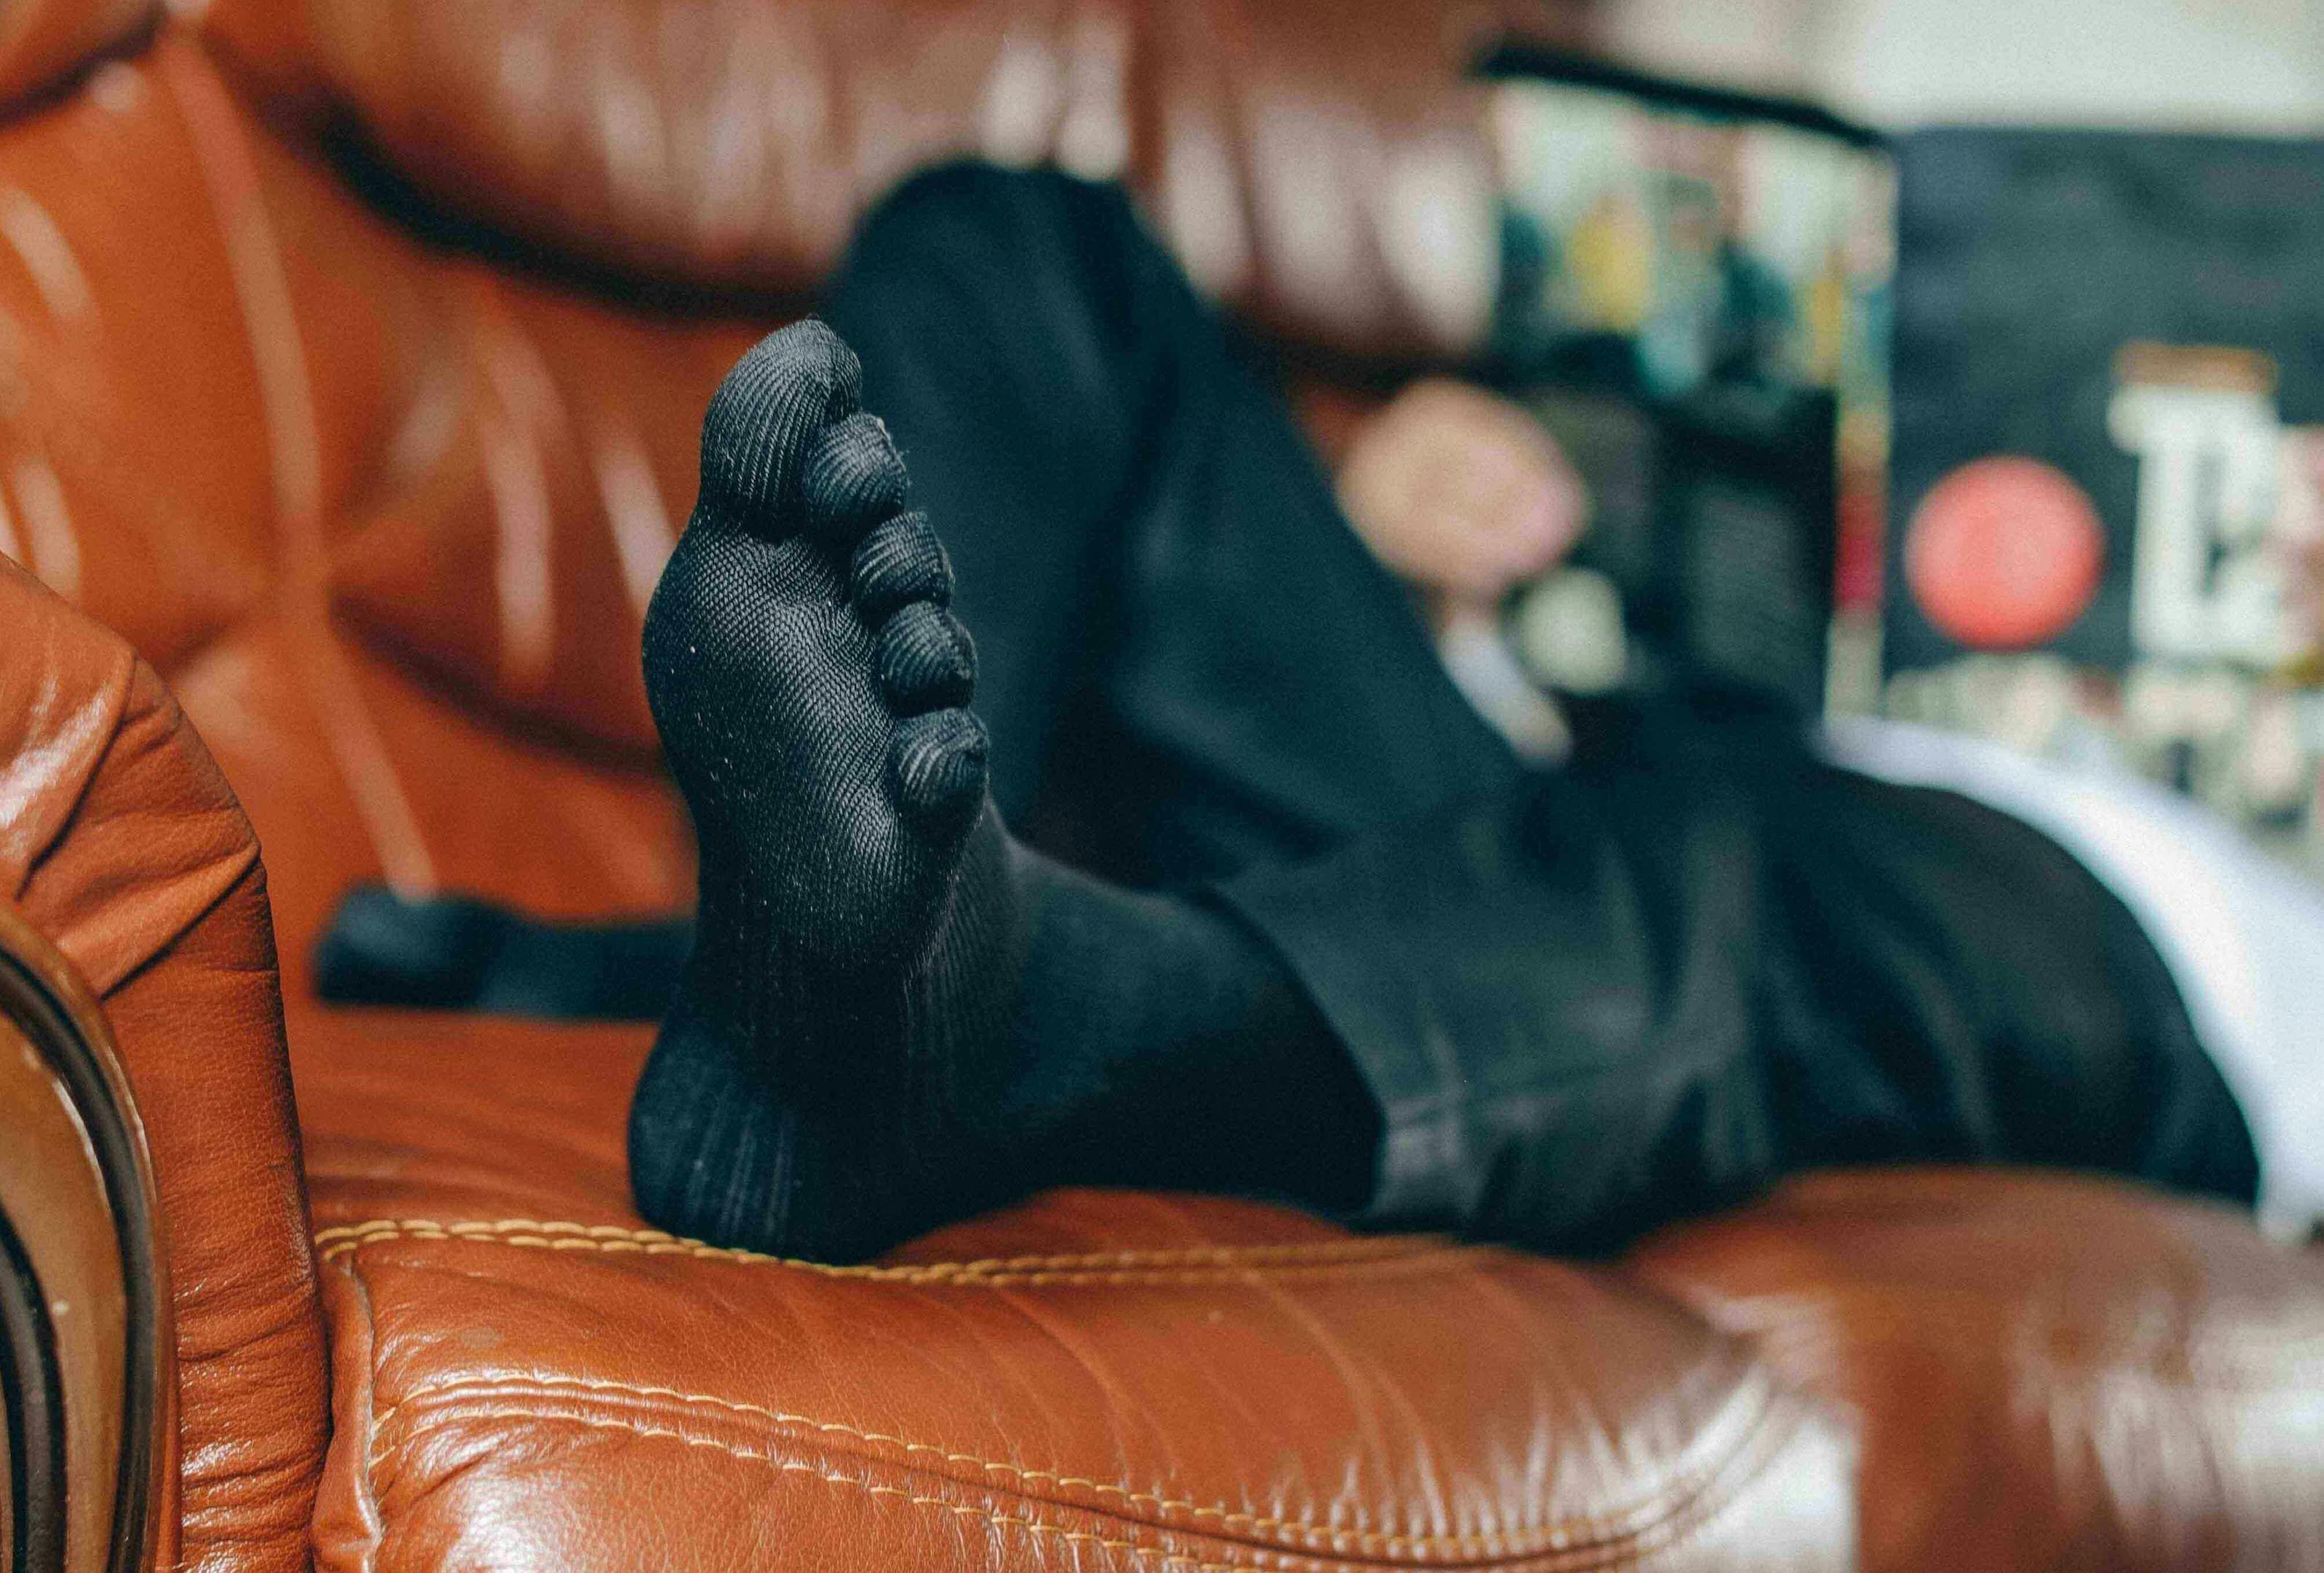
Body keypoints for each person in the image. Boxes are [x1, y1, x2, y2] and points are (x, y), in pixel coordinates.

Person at [626, 161, 2315, 1266]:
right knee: (1018, 243)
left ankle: (984, 1026)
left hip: (2114, 945)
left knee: (1749, 863)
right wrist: (1403, 561)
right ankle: (855, 964)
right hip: (1583, 783)